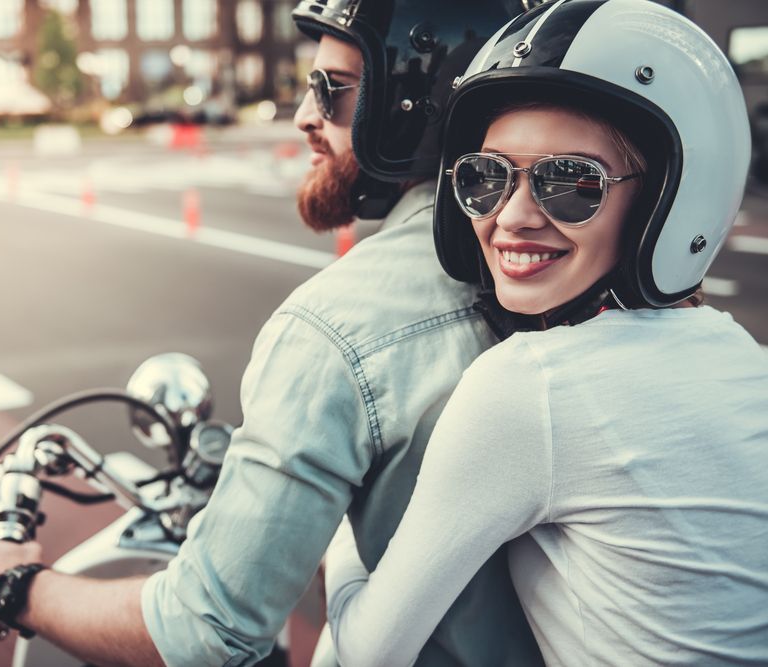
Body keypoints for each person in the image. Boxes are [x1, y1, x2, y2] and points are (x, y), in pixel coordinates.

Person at [0, 2, 545, 665]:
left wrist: (12, 584)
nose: (306, 115)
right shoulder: (565, 266)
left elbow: (206, 633)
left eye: (331, 91)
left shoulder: (337, 328)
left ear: (412, 104)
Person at [323, 2, 768, 665]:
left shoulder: (531, 386)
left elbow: (367, 651)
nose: (513, 216)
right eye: (483, 176)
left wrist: (340, 528)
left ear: (665, 201)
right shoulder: (741, 355)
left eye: (571, 183)